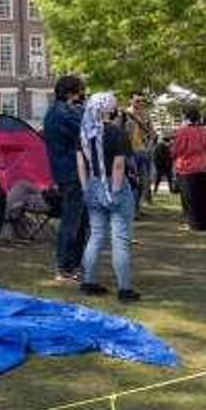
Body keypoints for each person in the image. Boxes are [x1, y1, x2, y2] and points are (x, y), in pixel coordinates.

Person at [78, 92, 140, 302]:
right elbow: (118, 165)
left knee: (96, 236)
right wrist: (114, 190)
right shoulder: (117, 133)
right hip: (115, 186)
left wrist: (86, 189)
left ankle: (89, 281)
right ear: (111, 109)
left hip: (93, 185)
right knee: (120, 239)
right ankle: (125, 289)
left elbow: (81, 164)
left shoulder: (84, 132)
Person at [43, 75, 87, 282]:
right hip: (72, 171)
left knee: (79, 221)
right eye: (80, 91)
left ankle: (74, 265)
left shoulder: (53, 111)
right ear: (72, 92)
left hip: (64, 171)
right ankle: (65, 267)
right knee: (72, 221)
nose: (82, 95)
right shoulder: (66, 112)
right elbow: (86, 133)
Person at [173, 107, 206, 231]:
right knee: (202, 196)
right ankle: (203, 223)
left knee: (189, 198)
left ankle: (191, 223)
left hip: (187, 167)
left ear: (186, 117)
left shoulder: (182, 131)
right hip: (202, 165)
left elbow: (178, 149)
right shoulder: (204, 131)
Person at [122, 93, 154, 215]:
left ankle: (136, 208)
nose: (140, 103)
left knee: (143, 182)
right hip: (130, 152)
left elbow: (152, 134)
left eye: (142, 101)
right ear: (130, 100)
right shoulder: (125, 115)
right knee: (131, 182)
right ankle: (131, 209)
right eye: (137, 100)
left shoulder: (146, 116)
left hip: (143, 152)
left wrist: (149, 147)